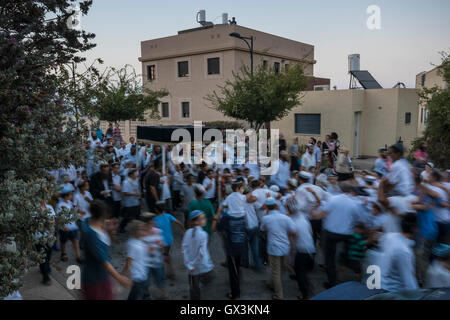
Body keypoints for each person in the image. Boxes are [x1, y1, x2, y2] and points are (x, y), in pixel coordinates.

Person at [314, 182, 362, 289]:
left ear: (340, 189)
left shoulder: (333, 199)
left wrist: (314, 214)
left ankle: (332, 282)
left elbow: (322, 214)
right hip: (347, 234)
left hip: (331, 233)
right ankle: (344, 272)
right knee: (345, 255)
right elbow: (357, 220)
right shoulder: (354, 203)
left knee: (329, 258)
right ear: (350, 191)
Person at [82, 201, 131, 299]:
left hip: (102, 277)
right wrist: (120, 278)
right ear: (104, 214)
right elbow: (104, 261)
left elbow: (109, 246)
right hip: (94, 280)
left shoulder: (101, 227)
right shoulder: (91, 234)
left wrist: (111, 231)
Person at [213, 181, 250, 300]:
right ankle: (237, 287)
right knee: (237, 269)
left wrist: (217, 216)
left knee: (233, 272)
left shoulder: (227, 218)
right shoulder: (244, 216)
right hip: (242, 247)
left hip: (232, 249)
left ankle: (235, 295)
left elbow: (216, 229)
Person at [260, 197, 298, 300]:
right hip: (285, 246)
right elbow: (294, 231)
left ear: (267, 207)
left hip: (273, 247)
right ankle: (272, 284)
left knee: (275, 271)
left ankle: (279, 294)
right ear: (276, 206)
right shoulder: (285, 218)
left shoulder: (266, 218)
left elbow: (262, 229)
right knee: (281, 269)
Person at [379, 213, 419, 291]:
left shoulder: (389, 236)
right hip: (393, 292)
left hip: (382, 285)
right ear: (414, 229)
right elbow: (409, 281)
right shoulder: (403, 251)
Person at [182, 210, 214, 300]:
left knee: (194, 286)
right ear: (196, 222)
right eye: (202, 218)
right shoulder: (203, 235)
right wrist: (193, 264)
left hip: (192, 267)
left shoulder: (188, 232)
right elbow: (202, 253)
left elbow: (184, 249)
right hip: (200, 265)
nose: (205, 220)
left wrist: (189, 264)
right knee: (198, 285)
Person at [289, 199, 316, 300]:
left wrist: (292, 251)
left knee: (301, 274)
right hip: (311, 249)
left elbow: (292, 237)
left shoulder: (293, 221)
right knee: (303, 272)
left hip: (301, 251)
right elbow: (311, 233)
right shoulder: (304, 218)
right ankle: (308, 290)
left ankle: (305, 295)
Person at [154, 201, 185, 280]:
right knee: (166, 255)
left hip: (161, 241)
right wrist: (184, 231)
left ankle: (165, 273)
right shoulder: (168, 216)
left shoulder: (154, 219)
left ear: (156, 210)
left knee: (162, 256)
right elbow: (179, 223)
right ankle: (170, 272)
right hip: (169, 240)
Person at [141, 212, 167, 299]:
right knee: (145, 281)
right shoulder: (141, 234)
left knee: (160, 279)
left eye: (152, 221)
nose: (153, 222)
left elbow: (162, 246)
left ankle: (163, 294)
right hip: (145, 263)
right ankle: (146, 295)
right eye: (151, 221)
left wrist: (163, 256)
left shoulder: (157, 232)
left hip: (156, 261)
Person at [122, 220, 149, 300]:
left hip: (143, 273)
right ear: (134, 231)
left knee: (137, 295)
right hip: (137, 276)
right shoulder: (132, 244)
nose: (143, 231)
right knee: (137, 295)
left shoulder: (139, 240)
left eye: (143, 229)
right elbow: (128, 262)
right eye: (141, 229)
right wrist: (124, 275)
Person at [57, 184, 82, 263]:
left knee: (75, 240)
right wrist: (63, 225)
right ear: (65, 196)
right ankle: (63, 253)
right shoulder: (60, 205)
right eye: (70, 195)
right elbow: (58, 217)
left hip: (73, 226)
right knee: (63, 241)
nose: (72, 196)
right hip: (65, 227)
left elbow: (73, 212)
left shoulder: (70, 203)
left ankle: (78, 256)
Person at [119, 169, 141, 233]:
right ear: (131, 174)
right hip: (129, 203)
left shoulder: (136, 180)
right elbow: (125, 192)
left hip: (136, 201)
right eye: (135, 173)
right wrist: (134, 194)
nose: (137, 174)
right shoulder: (126, 182)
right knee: (127, 216)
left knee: (137, 215)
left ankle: (138, 228)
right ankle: (121, 227)